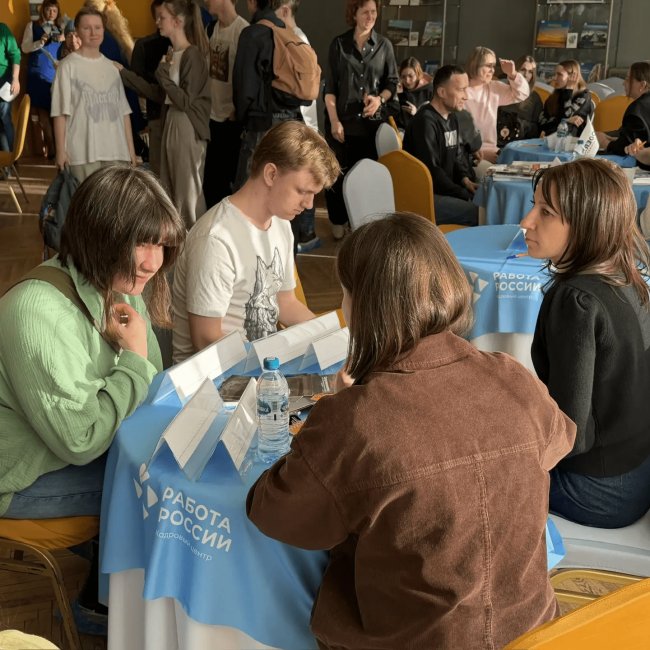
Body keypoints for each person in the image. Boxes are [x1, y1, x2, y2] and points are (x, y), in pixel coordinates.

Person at [246, 212, 576, 650]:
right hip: (533, 632)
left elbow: (273, 511)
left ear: (363, 305)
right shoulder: (513, 377)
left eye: (345, 293)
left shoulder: (354, 419)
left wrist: (326, 421)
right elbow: (561, 439)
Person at [0, 164, 185, 616]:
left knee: (168, 473)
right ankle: (105, 608)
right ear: (99, 233)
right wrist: (134, 360)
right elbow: (81, 440)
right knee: (165, 492)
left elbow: (147, 388)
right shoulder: (38, 312)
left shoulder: (115, 282)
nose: (153, 262)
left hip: (60, 452)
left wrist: (133, 371)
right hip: (17, 477)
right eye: (142, 243)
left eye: (161, 244)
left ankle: (116, 593)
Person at [521, 158, 650, 529]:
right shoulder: (628, 276)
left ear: (587, 223)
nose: (526, 222)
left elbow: (571, 435)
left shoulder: (576, 301)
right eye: (534, 206)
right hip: (637, 467)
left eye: (546, 212)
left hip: (600, 490)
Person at [172, 121, 340, 363]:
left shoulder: (280, 223)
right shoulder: (215, 238)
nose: (309, 204)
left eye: (314, 194)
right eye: (303, 191)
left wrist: (332, 340)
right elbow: (205, 339)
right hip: (215, 376)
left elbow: (286, 303)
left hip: (259, 365)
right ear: (271, 174)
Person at [117, 0, 211, 228]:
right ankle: (178, 241)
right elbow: (159, 94)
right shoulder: (171, 53)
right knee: (169, 188)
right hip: (171, 120)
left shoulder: (193, 55)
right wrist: (124, 74)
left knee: (188, 194)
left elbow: (185, 100)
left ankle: (195, 241)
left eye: (162, 17)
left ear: (177, 22)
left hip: (187, 125)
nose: (157, 22)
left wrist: (162, 73)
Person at [323, 0, 398, 239]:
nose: (370, 16)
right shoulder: (338, 44)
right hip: (342, 124)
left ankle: (365, 229)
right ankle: (338, 220)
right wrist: (334, 121)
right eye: (365, 12)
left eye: (374, 12)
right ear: (353, 14)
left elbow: (392, 83)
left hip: (371, 126)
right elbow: (330, 88)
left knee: (367, 178)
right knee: (337, 176)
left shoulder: (384, 45)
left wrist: (380, 99)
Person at [51, 6, 136, 183]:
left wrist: (131, 151)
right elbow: (59, 112)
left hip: (116, 152)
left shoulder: (112, 68)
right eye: (87, 28)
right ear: (77, 31)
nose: (93, 33)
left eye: (97, 27)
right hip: (82, 154)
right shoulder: (67, 67)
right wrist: (60, 151)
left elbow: (124, 113)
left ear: (104, 30)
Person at [402, 65, 479, 228]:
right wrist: (463, 194)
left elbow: (455, 158)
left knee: (485, 205)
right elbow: (432, 172)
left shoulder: (452, 119)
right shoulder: (424, 122)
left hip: (443, 191)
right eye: (461, 90)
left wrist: (465, 181)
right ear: (442, 92)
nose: (466, 96)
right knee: (479, 214)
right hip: (425, 197)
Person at [272, 0, 321, 254]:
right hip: (303, 121)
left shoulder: (293, 40)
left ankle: (303, 235)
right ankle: (306, 233)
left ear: (285, 11)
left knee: (300, 182)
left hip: (298, 120)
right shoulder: (298, 39)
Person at [203, 0, 248, 209]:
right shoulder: (210, 28)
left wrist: (238, 110)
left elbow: (246, 77)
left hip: (231, 121)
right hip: (210, 117)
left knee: (231, 182)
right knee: (211, 183)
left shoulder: (243, 31)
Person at [464, 46, 529, 176]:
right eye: (488, 66)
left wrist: (513, 74)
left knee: (523, 172)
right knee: (495, 176)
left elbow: (522, 94)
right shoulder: (461, 91)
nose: (492, 70)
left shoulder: (494, 88)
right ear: (475, 65)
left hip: (494, 151)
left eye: (494, 66)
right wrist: (479, 153)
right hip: (471, 155)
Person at [128, 0, 171, 177]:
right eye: (159, 16)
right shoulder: (144, 45)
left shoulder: (187, 46)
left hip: (180, 117)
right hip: (157, 114)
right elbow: (136, 83)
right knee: (158, 170)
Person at [21, 0, 66, 159]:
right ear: (43, 10)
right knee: (42, 111)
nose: (51, 13)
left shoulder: (62, 28)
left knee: (56, 110)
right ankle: (51, 148)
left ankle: (57, 147)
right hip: (37, 72)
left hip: (55, 74)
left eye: (54, 10)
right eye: (48, 10)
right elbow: (24, 47)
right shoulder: (32, 26)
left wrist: (64, 39)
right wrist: (39, 42)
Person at [597, 61, 650, 155]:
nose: (624, 83)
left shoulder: (636, 109)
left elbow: (625, 148)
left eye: (628, 79)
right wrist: (612, 138)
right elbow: (636, 137)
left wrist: (604, 142)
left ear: (642, 85)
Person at [538, 60, 593, 137]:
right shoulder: (555, 95)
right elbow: (542, 122)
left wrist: (569, 89)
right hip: (551, 140)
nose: (554, 78)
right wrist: (566, 120)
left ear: (573, 77)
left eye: (559, 74)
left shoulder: (583, 96)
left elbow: (566, 115)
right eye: (555, 74)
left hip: (573, 142)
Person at [498, 55, 543, 144]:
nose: (526, 75)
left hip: (522, 144)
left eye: (530, 72)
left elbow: (536, 131)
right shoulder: (501, 91)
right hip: (498, 141)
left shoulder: (535, 98)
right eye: (522, 70)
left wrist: (521, 124)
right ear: (514, 70)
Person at [395, 57, 433, 130]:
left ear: (418, 74)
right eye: (403, 77)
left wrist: (416, 114)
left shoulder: (430, 90)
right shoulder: (400, 88)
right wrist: (399, 95)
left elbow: (434, 118)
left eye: (411, 76)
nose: (407, 80)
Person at [0, 22, 21, 154]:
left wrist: (15, 79)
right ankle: (4, 158)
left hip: (4, 81)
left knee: (4, 117)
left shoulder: (2, 29)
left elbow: (15, 54)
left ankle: (12, 157)